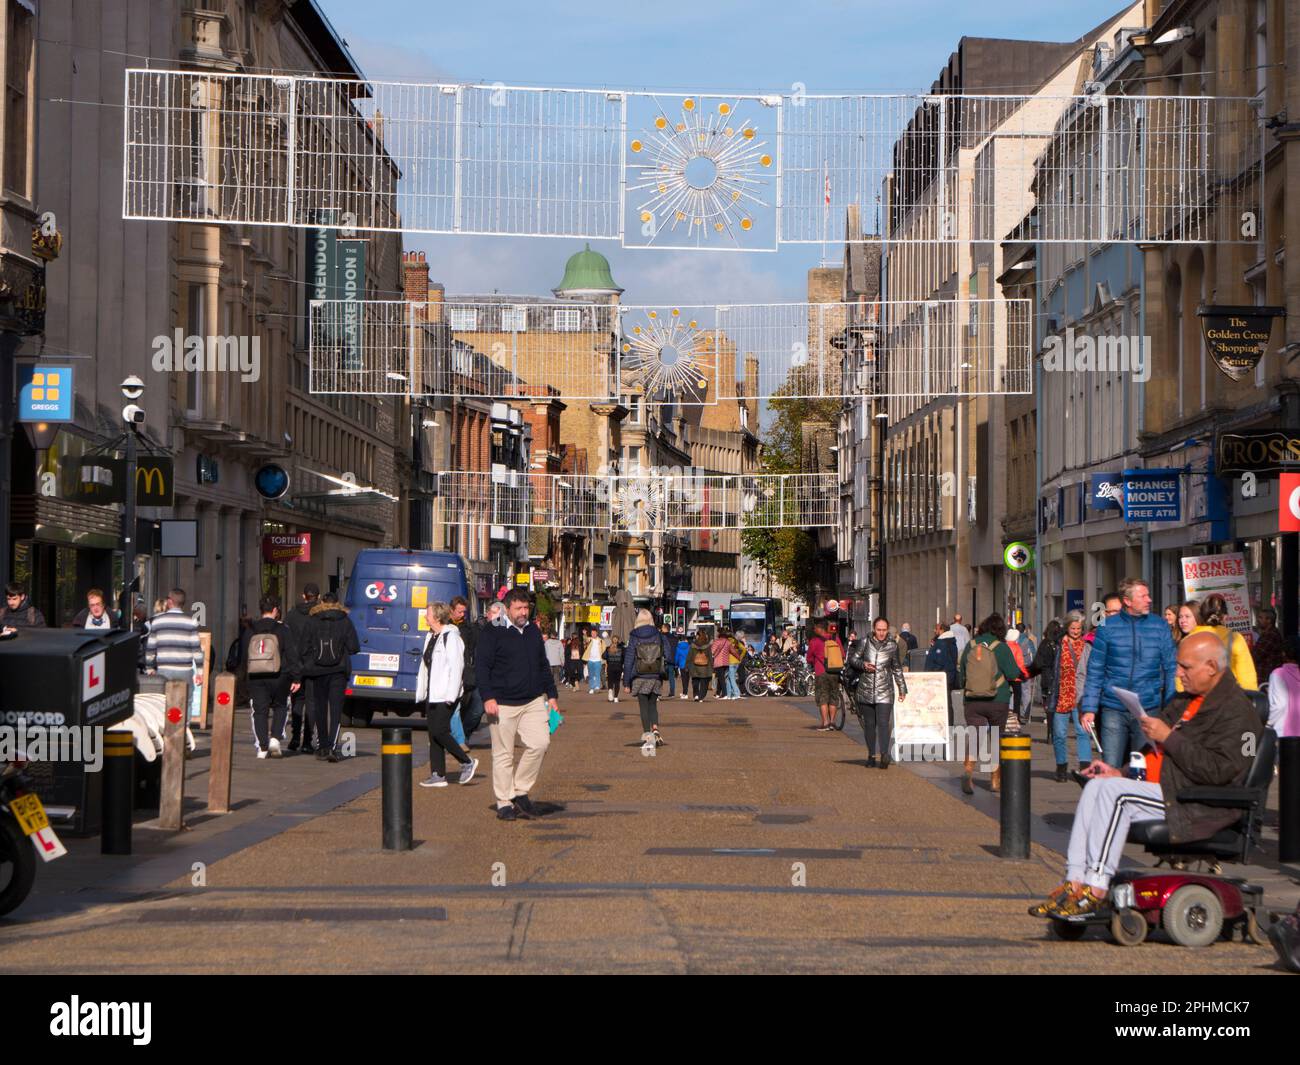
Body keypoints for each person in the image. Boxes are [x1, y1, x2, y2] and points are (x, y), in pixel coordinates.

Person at [1029, 632, 1263, 919]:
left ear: (1211, 667)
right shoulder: (1185, 700)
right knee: (1097, 787)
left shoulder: (1239, 712)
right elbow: (1152, 750)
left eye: (1185, 667)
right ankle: (1074, 881)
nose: (1178, 674)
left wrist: (1169, 737)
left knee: (1117, 795)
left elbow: (1221, 771)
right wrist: (1119, 771)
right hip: (1167, 787)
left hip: (1198, 801)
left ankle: (1097, 887)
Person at [477, 589, 558, 822]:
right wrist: (487, 697)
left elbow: (543, 664)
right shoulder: (493, 631)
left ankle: (520, 790)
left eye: (526, 608)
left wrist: (551, 696)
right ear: (507, 608)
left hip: (532, 699)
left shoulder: (532, 630)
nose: (524, 613)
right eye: (519, 609)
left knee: (540, 743)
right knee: (503, 754)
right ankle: (504, 801)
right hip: (502, 702)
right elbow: (482, 666)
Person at [1080, 578, 1177, 769]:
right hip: (1113, 707)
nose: (1149, 600)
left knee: (1141, 767)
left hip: (1147, 708)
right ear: (1128, 601)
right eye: (1143, 596)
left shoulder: (1159, 626)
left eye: (1148, 595)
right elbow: (1096, 669)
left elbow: (1171, 667)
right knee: (1111, 766)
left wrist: (1171, 706)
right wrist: (1089, 707)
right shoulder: (1108, 627)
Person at [957, 613, 1022, 794]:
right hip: (997, 699)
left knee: (975, 736)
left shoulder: (970, 646)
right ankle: (995, 780)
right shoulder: (1001, 648)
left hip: (972, 700)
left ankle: (968, 772)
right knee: (995, 738)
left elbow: (962, 674)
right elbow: (1013, 673)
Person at [415, 601, 477, 788]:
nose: (425, 617)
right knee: (433, 734)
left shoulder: (452, 637)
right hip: (432, 694)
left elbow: (457, 668)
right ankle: (437, 774)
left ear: (437, 616)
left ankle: (466, 762)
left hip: (446, 694)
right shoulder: (431, 636)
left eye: (428, 614)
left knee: (440, 731)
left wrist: (451, 695)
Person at [239, 595, 301, 760]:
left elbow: (244, 654)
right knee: (280, 706)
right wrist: (296, 678)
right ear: (275, 610)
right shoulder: (283, 629)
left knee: (259, 711)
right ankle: (275, 738)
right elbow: (291, 654)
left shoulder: (250, 630)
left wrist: (245, 678)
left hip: (256, 676)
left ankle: (262, 747)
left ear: (261, 610)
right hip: (279, 675)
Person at [301, 590, 358, 762]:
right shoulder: (345, 621)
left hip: (318, 671)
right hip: (339, 671)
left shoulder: (312, 620)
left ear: (321, 602)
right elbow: (354, 647)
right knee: (335, 710)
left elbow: (303, 647)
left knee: (319, 708)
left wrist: (309, 661)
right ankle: (332, 746)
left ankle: (322, 747)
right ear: (337, 602)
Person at [843, 616, 908, 768]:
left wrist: (902, 688)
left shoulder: (892, 646)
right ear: (873, 629)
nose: (881, 633)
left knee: (884, 723)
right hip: (866, 688)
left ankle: (884, 754)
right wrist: (864, 665)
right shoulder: (865, 643)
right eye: (878, 630)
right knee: (869, 724)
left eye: (884, 630)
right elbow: (853, 660)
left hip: (885, 689)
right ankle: (871, 755)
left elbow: (897, 668)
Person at [1047, 611, 1092, 781]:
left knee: (1083, 733)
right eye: (1072, 628)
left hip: (1080, 696)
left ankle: (1085, 769)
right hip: (1062, 694)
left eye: (1079, 628)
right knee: (1059, 734)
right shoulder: (1059, 644)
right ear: (1067, 628)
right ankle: (1061, 768)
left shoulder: (1087, 647)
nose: (1075, 631)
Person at [145, 588, 203, 720]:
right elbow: (196, 649)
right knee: (186, 701)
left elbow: (150, 648)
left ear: (170, 602)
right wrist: (200, 672)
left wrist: (149, 668)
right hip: (185, 670)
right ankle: (185, 732)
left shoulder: (158, 622)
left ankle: (166, 730)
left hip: (164, 669)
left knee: (164, 701)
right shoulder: (191, 622)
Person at [1186, 594, 1258, 692]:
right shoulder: (1234, 638)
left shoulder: (1189, 639)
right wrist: (1250, 699)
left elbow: (1181, 674)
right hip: (1227, 697)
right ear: (1225, 617)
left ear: (1201, 616)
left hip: (1198, 698)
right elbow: (1246, 675)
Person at [625, 609, 671, 750]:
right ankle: (655, 728)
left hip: (639, 675)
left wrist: (626, 682)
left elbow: (629, 659)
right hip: (655, 675)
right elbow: (668, 654)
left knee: (643, 707)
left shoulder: (634, 636)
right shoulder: (659, 635)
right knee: (653, 705)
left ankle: (648, 737)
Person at [283, 583, 320, 753]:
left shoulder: (292, 615)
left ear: (303, 596)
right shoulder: (320, 616)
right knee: (311, 703)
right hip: (313, 664)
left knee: (297, 701)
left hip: (295, 665)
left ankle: (295, 738)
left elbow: (286, 640)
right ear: (318, 597)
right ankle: (307, 741)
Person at [806, 618, 844, 731]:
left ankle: (825, 723)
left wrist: (815, 661)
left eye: (815, 628)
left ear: (819, 628)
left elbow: (809, 659)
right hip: (834, 671)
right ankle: (832, 722)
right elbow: (842, 654)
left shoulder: (814, 641)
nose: (814, 630)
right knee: (833, 696)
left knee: (822, 697)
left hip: (821, 672)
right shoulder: (835, 638)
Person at [1266, 637, 1300, 739]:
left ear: (1284, 654)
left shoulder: (1278, 674)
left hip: (1284, 735)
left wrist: (1267, 722)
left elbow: (1279, 705)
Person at [1251, 606, 1286, 683]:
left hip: (1265, 677)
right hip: (1267, 676)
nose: (1258, 620)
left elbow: (1256, 655)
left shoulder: (1270, 635)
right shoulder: (1269, 634)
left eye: (1260, 617)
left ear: (1269, 620)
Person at [923, 622, 960, 692]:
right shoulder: (951, 642)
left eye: (936, 629)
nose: (934, 631)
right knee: (947, 698)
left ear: (942, 630)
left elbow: (939, 661)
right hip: (949, 676)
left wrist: (930, 674)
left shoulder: (941, 643)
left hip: (940, 678)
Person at [1004, 627, 1029, 727]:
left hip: (1005, 675)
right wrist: (1024, 674)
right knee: (1017, 697)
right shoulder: (1017, 647)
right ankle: (1016, 716)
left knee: (1005, 696)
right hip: (1016, 676)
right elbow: (1020, 663)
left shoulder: (1004, 646)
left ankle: (1005, 716)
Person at [688, 630, 713, 702]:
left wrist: (687, 665)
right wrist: (712, 666)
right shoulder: (707, 646)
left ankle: (696, 695)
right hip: (705, 667)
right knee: (704, 682)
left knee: (695, 681)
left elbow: (689, 656)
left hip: (694, 666)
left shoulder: (693, 645)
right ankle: (701, 696)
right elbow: (710, 657)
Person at [710, 627, 732, 699]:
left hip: (718, 662)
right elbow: (732, 651)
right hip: (726, 662)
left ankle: (725, 694)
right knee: (720, 678)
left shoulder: (717, 642)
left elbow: (712, 651)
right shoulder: (728, 642)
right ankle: (718, 693)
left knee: (721, 678)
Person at [725, 628, 746, 699]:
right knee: (728, 678)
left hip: (730, 662)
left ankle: (737, 693)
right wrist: (740, 657)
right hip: (736, 662)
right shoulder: (738, 643)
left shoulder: (729, 641)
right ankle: (729, 694)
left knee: (731, 678)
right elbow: (744, 649)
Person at [543, 626, 565, 694]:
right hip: (557, 662)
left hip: (549, 662)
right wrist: (562, 661)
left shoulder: (547, 643)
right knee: (556, 676)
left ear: (551, 635)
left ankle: (548, 688)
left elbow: (544, 652)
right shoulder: (559, 643)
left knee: (549, 676)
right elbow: (561, 653)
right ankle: (555, 688)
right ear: (556, 636)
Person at [604, 636, 625, 703]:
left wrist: (608, 658)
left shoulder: (608, 648)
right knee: (617, 682)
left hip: (610, 667)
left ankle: (610, 691)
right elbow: (624, 657)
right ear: (618, 640)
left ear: (612, 640)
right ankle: (616, 697)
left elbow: (603, 656)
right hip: (618, 667)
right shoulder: (622, 648)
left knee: (610, 681)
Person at [584, 627, 605, 693]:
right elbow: (585, 639)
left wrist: (604, 659)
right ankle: (592, 687)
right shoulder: (589, 639)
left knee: (597, 674)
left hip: (598, 660)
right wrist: (585, 634)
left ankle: (597, 686)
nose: (593, 634)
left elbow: (604, 650)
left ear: (597, 633)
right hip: (590, 659)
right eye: (592, 633)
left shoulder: (601, 641)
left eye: (594, 633)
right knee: (591, 674)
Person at [674, 630, 691, 700]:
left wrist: (676, 664)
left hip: (682, 665)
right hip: (689, 665)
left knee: (683, 680)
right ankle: (685, 692)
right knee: (687, 679)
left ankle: (685, 693)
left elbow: (676, 657)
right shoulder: (689, 647)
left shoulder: (678, 647)